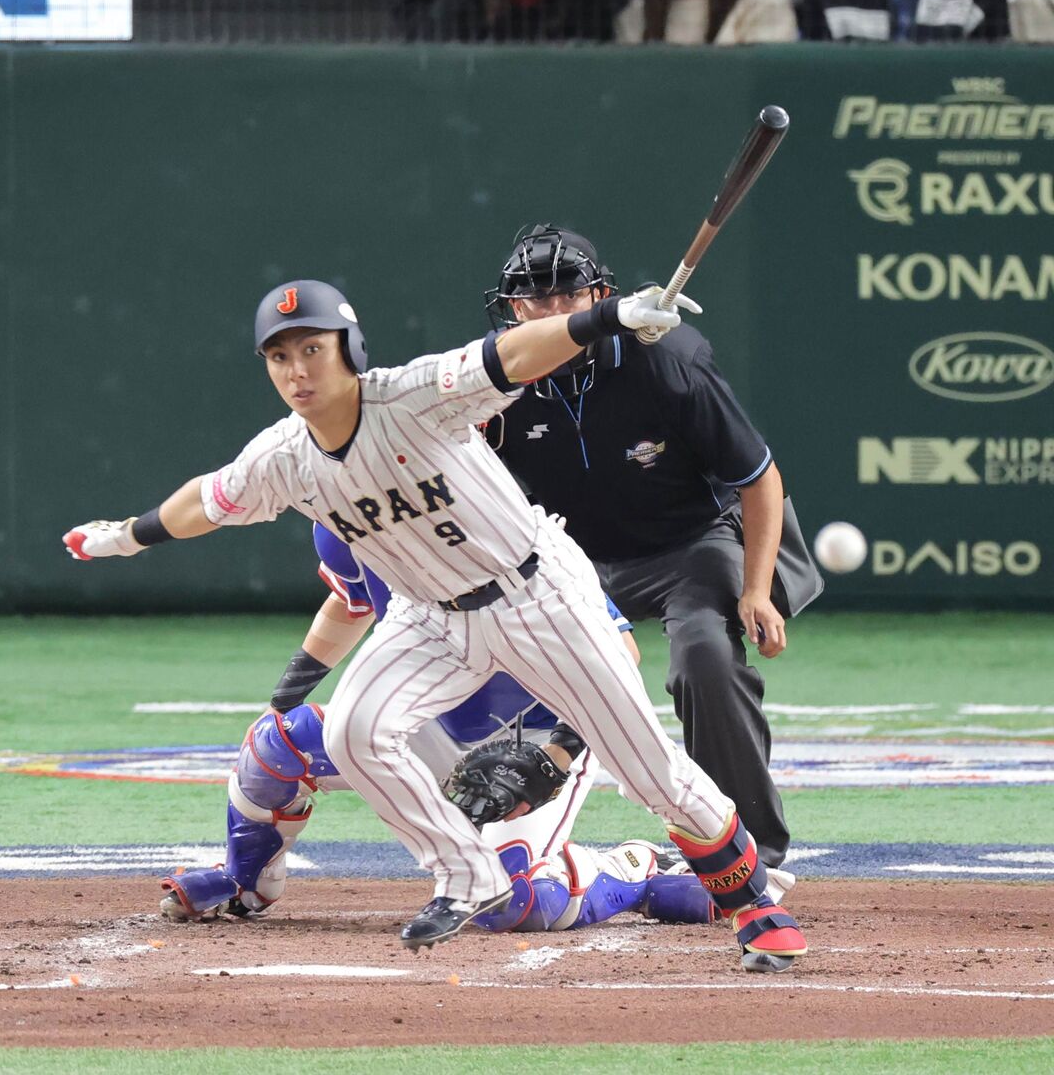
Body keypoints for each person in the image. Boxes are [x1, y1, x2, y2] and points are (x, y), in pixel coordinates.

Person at [63, 276, 806, 971]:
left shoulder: (414, 396)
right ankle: (467, 874)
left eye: (313, 349)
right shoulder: (284, 457)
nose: (298, 370)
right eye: (280, 357)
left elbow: (511, 354)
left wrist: (606, 318)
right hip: (431, 618)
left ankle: (754, 904)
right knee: (356, 730)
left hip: (536, 595)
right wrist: (128, 535)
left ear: (350, 349)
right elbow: (208, 499)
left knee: (653, 774)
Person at [157, 521, 762, 934]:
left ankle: (634, 873)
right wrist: (292, 686)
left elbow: (619, 656)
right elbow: (353, 598)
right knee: (278, 745)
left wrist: (555, 754)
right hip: (422, 722)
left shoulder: (505, 527)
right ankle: (246, 882)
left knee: (515, 905)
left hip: (532, 739)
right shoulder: (344, 512)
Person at [482, 224, 824, 871]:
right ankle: (497, 845)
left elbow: (759, 478)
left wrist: (756, 590)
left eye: (567, 296)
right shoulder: (491, 382)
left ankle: (747, 853)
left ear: (600, 296)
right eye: (533, 301)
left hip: (690, 545)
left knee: (705, 659)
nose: (551, 312)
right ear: (512, 310)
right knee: (484, 656)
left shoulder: (667, 360)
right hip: (571, 560)